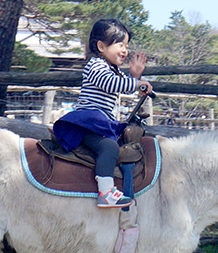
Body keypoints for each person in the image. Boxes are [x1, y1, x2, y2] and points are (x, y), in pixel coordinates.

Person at [53, 18, 152, 208]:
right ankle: (106, 192)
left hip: (100, 122)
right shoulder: (96, 66)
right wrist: (137, 83)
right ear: (100, 46)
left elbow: (126, 85)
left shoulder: (113, 70)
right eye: (120, 45)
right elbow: (112, 84)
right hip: (89, 122)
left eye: (127, 46)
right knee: (109, 147)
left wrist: (136, 78)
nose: (125, 50)